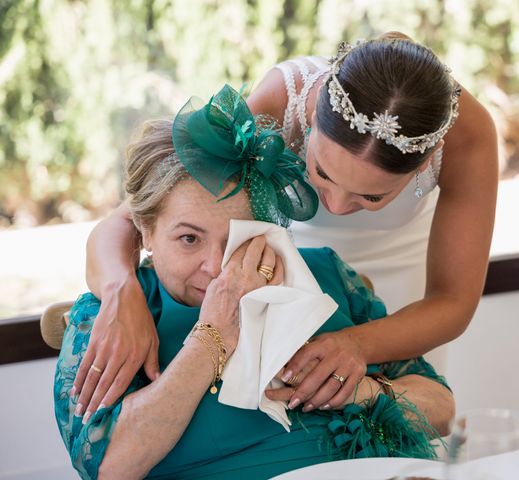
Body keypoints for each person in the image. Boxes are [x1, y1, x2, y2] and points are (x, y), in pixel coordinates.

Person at [75, 32, 497, 419]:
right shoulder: (276, 102)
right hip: (293, 271)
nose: (333, 203)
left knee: (402, 421)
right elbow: (130, 217)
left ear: (425, 161)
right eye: (322, 173)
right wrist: (120, 291)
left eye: (372, 197)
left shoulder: (468, 136)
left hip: (405, 292)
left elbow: (453, 302)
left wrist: (357, 343)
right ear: (311, 117)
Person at [54, 86, 454, 479]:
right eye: (189, 238)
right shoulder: (113, 317)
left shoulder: (324, 273)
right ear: (145, 229)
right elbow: (110, 467)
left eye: (237, 237)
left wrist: (361, 392)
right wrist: (213, 337)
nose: (215, 267)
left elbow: (441, 409)